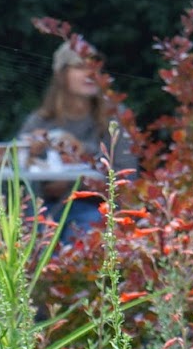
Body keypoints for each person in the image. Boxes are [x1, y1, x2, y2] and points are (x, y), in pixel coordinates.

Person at [13, 42, 135, 245]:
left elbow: (128, 174)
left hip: (94, 207)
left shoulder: (115, 117)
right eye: (79, 66)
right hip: (44, 208)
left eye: (94, 66)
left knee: (88, 225)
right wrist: (29, 154)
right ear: (61, 75)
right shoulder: (41, 120)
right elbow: (13, 171)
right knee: (24, 228)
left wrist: (81, 154)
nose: (89, 73)